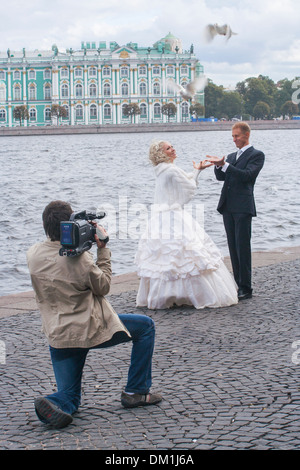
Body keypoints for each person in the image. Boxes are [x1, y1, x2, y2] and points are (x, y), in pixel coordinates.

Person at [27, 200, 162, 429]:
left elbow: (60, 265)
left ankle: (53, 402)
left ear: (45, 225)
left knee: (70, 397)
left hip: (59, 336)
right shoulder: (80, 260)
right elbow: (104, 286)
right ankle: (136, 391)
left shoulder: (33, 254)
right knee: (145, 327)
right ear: (70, 225)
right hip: (90, 329)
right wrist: (102, 249)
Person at [135, 141, 238, 310]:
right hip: (174, 215)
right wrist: (197, 172)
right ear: (162, 154)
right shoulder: (171, 169)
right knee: (187, 255)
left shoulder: (160, 170)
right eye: (168, 148)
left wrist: (196, 171)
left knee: (166, 257)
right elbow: (189, 188)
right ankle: (194, 294)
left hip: (160, 217)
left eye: (172, 146)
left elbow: (180, 181)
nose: (173, 149)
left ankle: (165, 294)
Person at [206, 122, 265, 300]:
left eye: (236, 136)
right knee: (232, 246)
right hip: (228, 206)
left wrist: (225, 165)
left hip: (243, 207)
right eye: (232, 136)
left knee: (243, 247)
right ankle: (238, 283)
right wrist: (218, 166)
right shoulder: (231, 156)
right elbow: (221, 177)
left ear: (247, 135)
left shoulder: (257, 155)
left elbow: (247, 176)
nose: (234, 139)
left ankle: (246, 287)